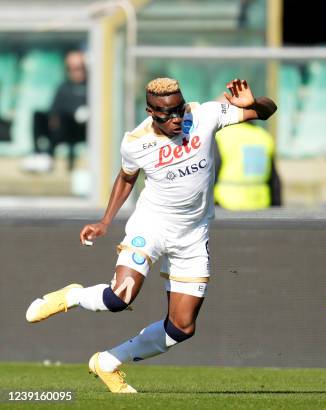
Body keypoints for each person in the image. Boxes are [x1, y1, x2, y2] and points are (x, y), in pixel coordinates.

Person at [25, 77, 276, 393]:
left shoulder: (205, 115)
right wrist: (105, 221)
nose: (175, 120)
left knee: (182, 327)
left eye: (178, 110)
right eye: (166, 114)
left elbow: (267, 111)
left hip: (193, 235)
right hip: (152, 227)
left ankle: (108, 362)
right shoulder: (135, 142)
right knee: (121, 297)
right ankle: (73, 295)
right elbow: (126, 177)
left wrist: (252, 103)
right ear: (150, 111)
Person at [21, 50, 88, 173]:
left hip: (80, 131)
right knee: (38, 115)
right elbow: (54, 108)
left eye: (79, 68)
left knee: (67, 117)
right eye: (71, 68)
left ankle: (49, 154)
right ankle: (40, 154)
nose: (75, 72)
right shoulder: (63, 87)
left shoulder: (92, 86)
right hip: (60, 130)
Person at [213, 122, 281, 210]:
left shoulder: (221, 135)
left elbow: (210, 173)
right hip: (261, 206)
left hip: (225, 205)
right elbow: (274, 180)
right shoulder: (264, 136)